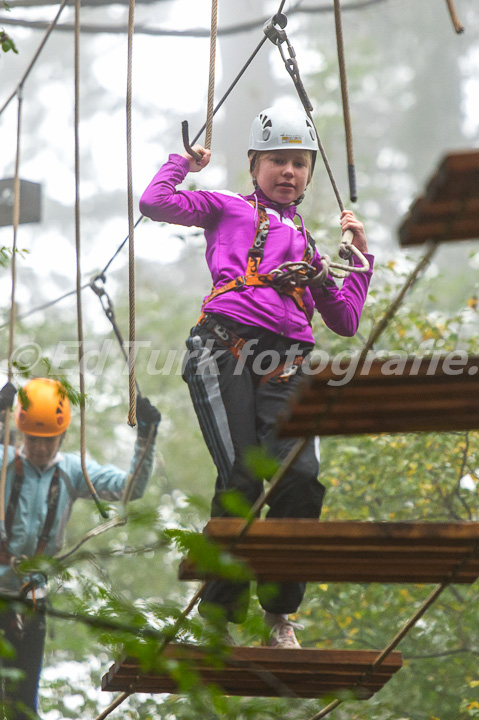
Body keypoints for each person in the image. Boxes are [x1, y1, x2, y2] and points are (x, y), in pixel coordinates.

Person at [139, 105, 374, 649]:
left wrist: (358, 257)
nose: (287, 172)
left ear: (310, 174)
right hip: (222, 350)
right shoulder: (226, 208)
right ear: (254, 164)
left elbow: (344, 320)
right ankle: (219, 619)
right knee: (243, 478)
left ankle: (280, 614)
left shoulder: (312, 250)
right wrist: (183, 163)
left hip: (286, 363)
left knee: (300, 479)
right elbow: (155, 202)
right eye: (276, 161)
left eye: (298, 163)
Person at [0, 377, 161, 719]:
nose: (40, 449)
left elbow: (128, 489)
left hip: (31, 601)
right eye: (32, 439)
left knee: (22, 707)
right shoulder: (4, 464)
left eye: (49, 440)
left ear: (63, 437)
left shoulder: (72, 470)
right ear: (20, 434)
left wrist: (146, 438)